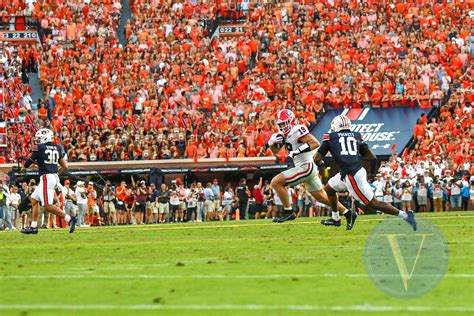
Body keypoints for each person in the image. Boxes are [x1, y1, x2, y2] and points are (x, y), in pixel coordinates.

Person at [314, 115, 416, 231]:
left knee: (374, 203)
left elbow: (316, 158)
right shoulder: (357, 136)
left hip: (351, 175)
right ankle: (336, 218)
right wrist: (369, 171)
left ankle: (406, 215)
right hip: (352, 171)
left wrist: (322, 164)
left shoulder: (330, 137)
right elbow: (371, 157)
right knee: (329, 190)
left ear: (336, 126)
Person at [268, 109, 352, 224]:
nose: (282, 126)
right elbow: (276, 152)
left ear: (291, 121)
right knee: (321, 197)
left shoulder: (297, 130)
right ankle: (348, 212)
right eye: (280, 124)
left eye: (284, 123)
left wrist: (297, 151)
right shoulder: (283, 135)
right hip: (305, 168)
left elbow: (315, 143)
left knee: (276, 182)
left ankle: (289, 212)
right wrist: (271, 144)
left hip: (306, 166)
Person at [21, 128, 77, 234]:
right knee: (34, 200)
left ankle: (69, 218)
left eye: (39, 138)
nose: (37, 140)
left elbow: (29, 162)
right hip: (52, 176)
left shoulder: (39, 147)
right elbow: (65, 166)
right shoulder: (57, 147)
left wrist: (24, 166)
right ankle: (33, 227)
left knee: (48, 205)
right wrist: (55, 174)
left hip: (47, 178)